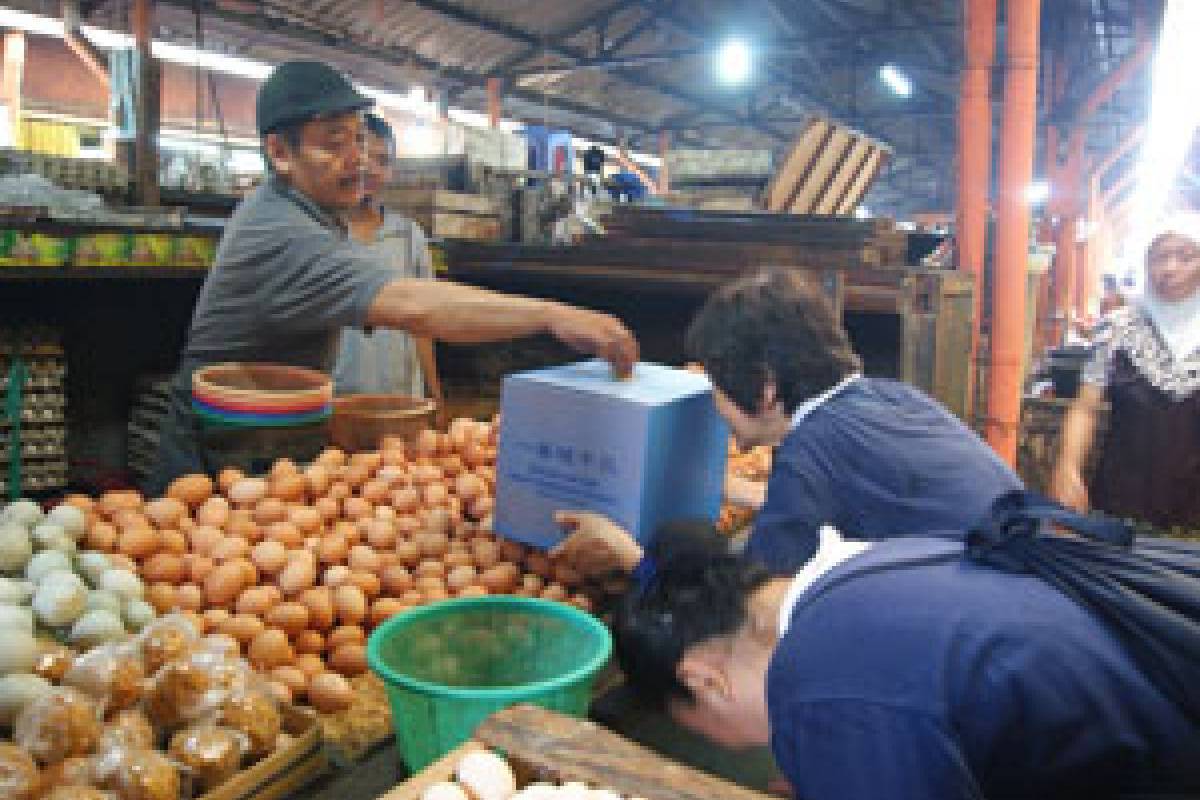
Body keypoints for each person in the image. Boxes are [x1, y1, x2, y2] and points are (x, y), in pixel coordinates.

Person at [148, 62, 637, 494]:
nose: (357, 159)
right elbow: (412, 304)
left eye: (360, 139)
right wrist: (550, 314)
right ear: (279, 152)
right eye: (334, 143)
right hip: (216, 451)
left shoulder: (315, 215)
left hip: (266, 439)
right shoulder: (280, 229)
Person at [612, 524, 1200, 800]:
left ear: (702, 677)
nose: (733, 745)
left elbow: (870, 704)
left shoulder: (826, 695)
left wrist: (844, 755)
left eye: (704, 732)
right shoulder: (857, 569)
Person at [555, 270, 1021, 577]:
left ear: (764, 388)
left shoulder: (811, 454)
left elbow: (748, 611)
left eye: (714, 383)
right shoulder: (890, 398)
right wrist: (742, 491)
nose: (713, 402)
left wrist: (627, 554)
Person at [1052, 213, 1200, 529]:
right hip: (1123, 503)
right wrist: (1067, 467)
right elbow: (1085, 408)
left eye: (1186, 256)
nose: (1170, 268)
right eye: (1159, 257)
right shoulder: (1116, 329)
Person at [332, 114, 443, 415]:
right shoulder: (321, 234)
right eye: (364, 157)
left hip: (401, 399)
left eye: (383, 161)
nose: (371, 169)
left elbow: (425, 323)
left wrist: (434, 394)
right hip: (337, 400)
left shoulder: (409, 237)